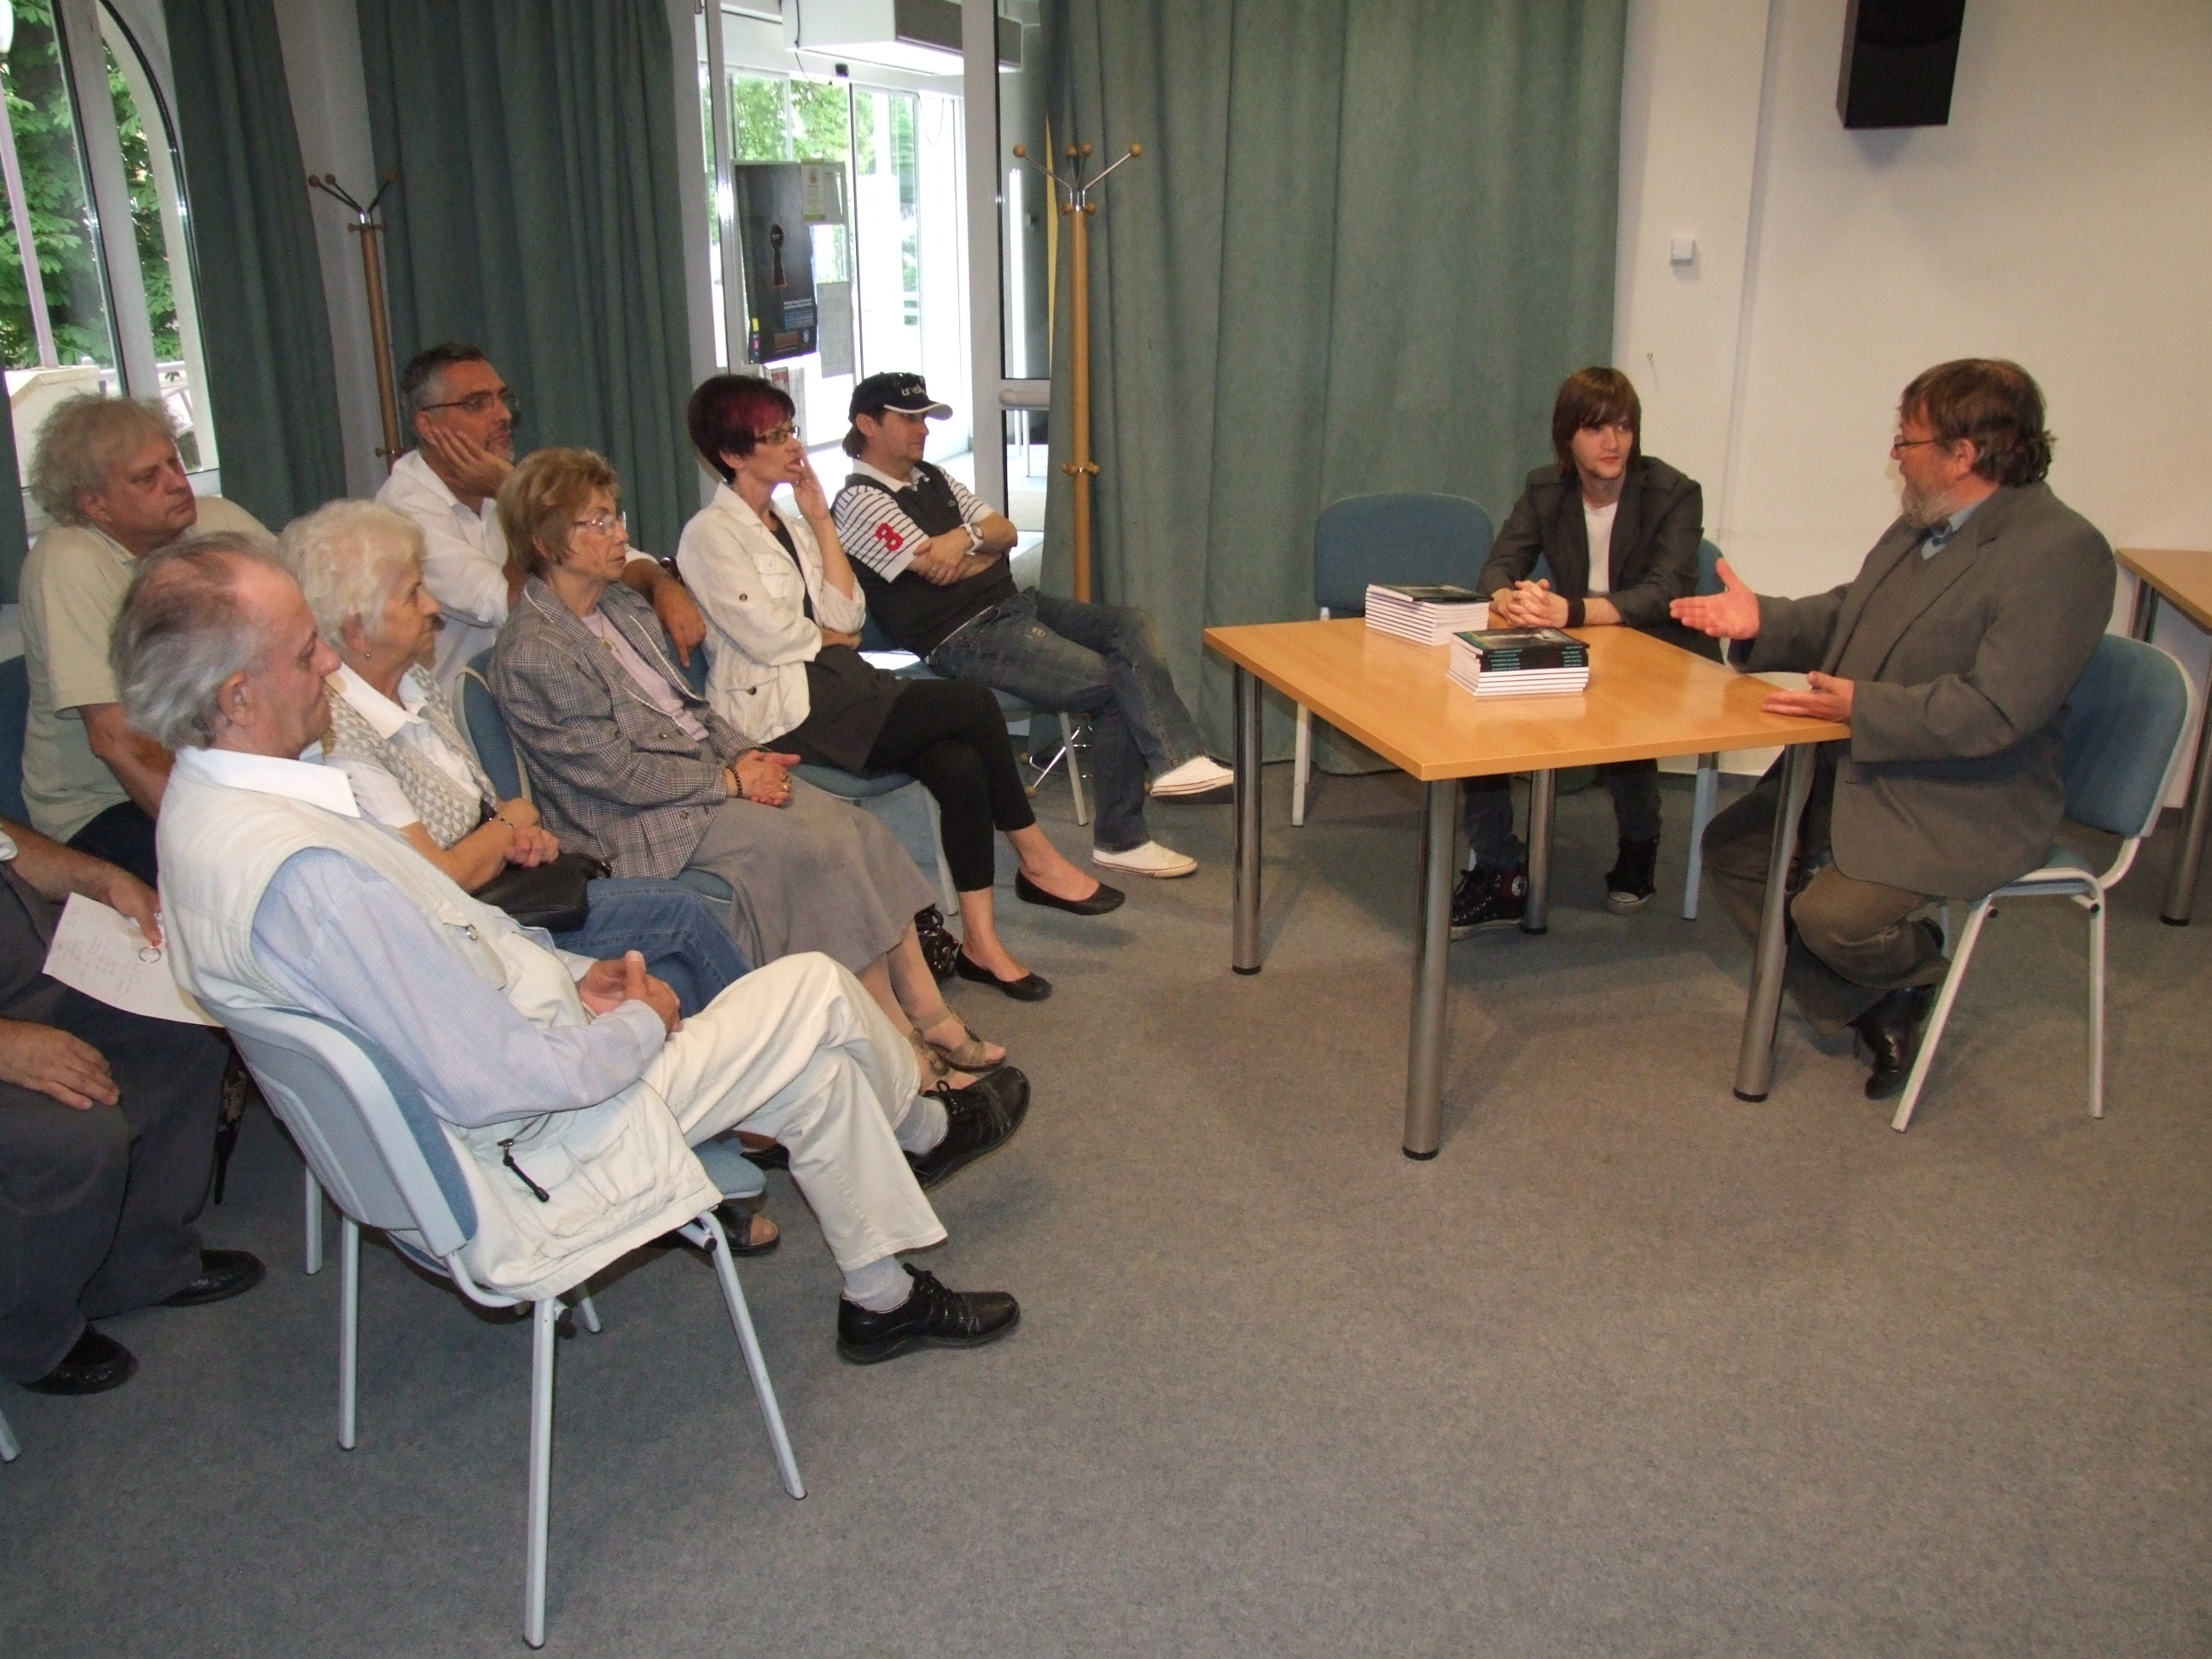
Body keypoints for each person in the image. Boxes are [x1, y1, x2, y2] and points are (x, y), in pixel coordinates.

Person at [124, 538, 1025, 1362]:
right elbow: (497, 1080)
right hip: (537, 1148)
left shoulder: (207, 821)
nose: (328, 662)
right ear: (237, 698)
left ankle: (881, 1294)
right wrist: (640, 1022)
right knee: (817, 992)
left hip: (496, 1111)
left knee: (814, 1068)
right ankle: (924, 1127)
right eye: (303, 652)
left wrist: (567, 974)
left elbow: (448, 954)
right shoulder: (311, 876)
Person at [490, 447, 1022, 1077]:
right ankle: (896, 1044)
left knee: (858, 829)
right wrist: (731, 780)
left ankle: (929, 1013)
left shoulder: (621, 608)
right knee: (818, 850)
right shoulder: (537, 650)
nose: (621, 534)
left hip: (701, 774)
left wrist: (746, 754)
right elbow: (615, 776)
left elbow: (692, 709)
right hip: (634, 817)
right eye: (599, 522)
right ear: (546, 541)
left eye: (617, 516)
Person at [1671, 358, 2115, 1099]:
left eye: (1907, 440)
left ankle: (1912, 966)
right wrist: (1763, 621)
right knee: (1737, 853)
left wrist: (1861, 708)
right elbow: (1851, 613)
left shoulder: (2061, 553)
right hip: (1875, 762)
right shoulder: (1924, 525)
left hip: (1969, 794)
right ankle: (1882, 1000)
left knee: (1833, 919)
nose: (1895, 455)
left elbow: (1997, 710)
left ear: (1963, 454)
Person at [676, 375, 1124, 1000]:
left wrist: (820, 523)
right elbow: (771, 638)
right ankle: (1037, 858)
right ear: (731, 453)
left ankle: (981, 943)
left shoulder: (793, 523)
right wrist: (830, 636)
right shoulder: (709, 535)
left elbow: (850, 613)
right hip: (781, 712)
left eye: (790, 430)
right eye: (773, 437)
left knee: (960, 764)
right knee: (970, 705)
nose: (793, 445)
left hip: (837, 683)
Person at [281, 503, 752, 1017]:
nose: (434, 606)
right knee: (679, 914)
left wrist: (518, 834)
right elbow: (441, 876)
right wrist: (512, 824)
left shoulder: (414, 683)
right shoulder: (341, 740)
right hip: (473, 929)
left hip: (510, 887)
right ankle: (768, 1039)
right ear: (358, 632)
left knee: (677, 958)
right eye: (413, 594)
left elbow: (488, 812)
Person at [830, 372, 1232, 881]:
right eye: (909, 419)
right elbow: (935, 568)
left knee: (1130, 625)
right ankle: (1122, 839)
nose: (923, 430)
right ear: (867, 425)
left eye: (925, 419)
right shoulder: (858, 502)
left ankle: (1176, 761)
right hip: (961, 635)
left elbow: (1006, 532)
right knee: (1111, 685)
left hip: (1013, 604)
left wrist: (966, 539)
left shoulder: (931, 477)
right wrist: (981, 551)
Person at [0, 814, 259, 1397]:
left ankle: (137, 1264)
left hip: (26, 970)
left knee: (183, 1015)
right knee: (72, 1134)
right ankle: (31, 1334)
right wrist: (8, 1046)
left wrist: (97, 878)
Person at [1451, 367, 1709, 937]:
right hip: (1575, 641)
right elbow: (1498, 565)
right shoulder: (1546, 489)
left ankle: (1640, 843)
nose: (1612, 442)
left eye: (1623, 427)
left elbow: (1665, 591)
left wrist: (1570, 610)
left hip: (1656, 647)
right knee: (1480, 706)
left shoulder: (1673, 494)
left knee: (1624, 717)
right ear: (1567, 437)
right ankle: (1499, 868)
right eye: (1595, 428)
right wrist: (1511, 597)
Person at [18, 393, 270, 883]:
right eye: (146, 478)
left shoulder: (219, 521)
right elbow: (115, 739)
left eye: (173, 462)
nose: (176, 483)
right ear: (95, 504)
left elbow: (307, 636)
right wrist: (215, 834)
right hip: (107, 801)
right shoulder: (68, 563)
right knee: (251, 877)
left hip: (226, 768)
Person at [375, 342, 706, 691]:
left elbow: (601, 550)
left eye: (502, 398)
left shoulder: (498, 479)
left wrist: (660, 584)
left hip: (551, 684)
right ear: (428, 426)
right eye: (477, 403)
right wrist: (511, 493)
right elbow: (516, 607)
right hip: (471, 708)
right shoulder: (403, 516)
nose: (503, 415)